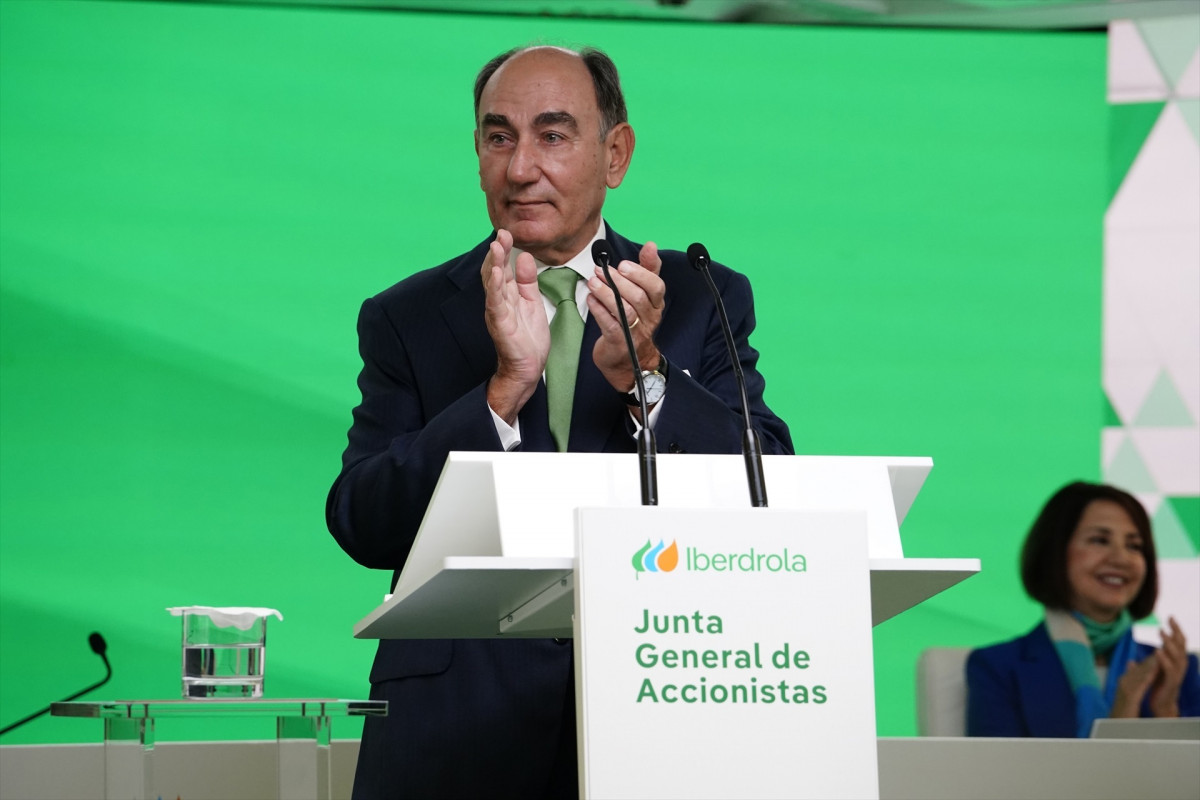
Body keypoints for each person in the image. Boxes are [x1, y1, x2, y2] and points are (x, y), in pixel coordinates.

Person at [325, 45, 793, 799]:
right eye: (498, 137)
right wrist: (501, 393)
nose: (519, 168)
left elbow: (769, 487)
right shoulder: (407, 315)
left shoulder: (697, 296)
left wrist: (646, 373)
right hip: (456, 731)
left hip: (660, 699)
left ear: (616, 154)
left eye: (552, 135)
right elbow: (363, 521)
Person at [966, 481, 1200, 737]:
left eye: (1134, 546)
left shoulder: (1178, 670)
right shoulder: (998, 667)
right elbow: (999, 764)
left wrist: (1166, 711)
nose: (1120, 559)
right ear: (1055, 551)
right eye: (1099, 540)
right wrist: (1121, 719)